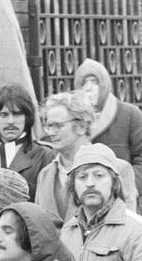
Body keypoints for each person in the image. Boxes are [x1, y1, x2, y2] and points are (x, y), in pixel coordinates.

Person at [35, 91, 138, 221]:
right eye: (49, 126)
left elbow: (128, 226)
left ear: (82, 127)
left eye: (58, 126)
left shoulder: (118, 168)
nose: (51, 133)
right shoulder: (45, 174)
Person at [0, 84, 52, 201]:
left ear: (27, 118)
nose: (10, 121)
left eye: (17, 114)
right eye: (3, 115)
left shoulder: (45, 156)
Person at [75, 58, 142, 192]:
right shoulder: (74, 118)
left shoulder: (129, 113)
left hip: (121, 194)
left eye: (95, 82)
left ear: (104, 85)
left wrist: (123, 186)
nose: (89, 88)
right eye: (84, 83)